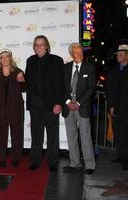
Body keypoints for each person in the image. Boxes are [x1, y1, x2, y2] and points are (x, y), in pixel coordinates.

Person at [25, 35, 64, 173]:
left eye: (41, 44)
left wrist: (59, 103)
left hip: (51, 103)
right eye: (36, 45)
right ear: (34, 47)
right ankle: (35, 160)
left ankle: (53, 162)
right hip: (35, 103)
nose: (39, 47)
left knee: (52, 134)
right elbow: (27, 83)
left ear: (46, 46)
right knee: (36, 133)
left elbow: (61, 84)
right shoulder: (30, 60)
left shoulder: (56, 60)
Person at [62, 43, 96, 175]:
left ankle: (89, 165)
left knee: (85, 136)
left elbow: (91, 88)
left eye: (81, 52)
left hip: (83, 107)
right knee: (71, 136)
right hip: (68, 107)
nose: (80, 55)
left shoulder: (89, 67)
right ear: (71, 54)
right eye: (77, 52)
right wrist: (68, 102)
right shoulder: (65, 68)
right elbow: (62, 87)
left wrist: (79, 103)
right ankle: (74, 163)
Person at [0, 49, 25, 168]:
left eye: (7, 57)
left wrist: (22, 80)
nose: (4, 59)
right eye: (2, 57)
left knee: (17, 133)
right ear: (0, 59)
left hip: (15, 107)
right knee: (1, 133)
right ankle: (2, 158)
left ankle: (16, 158)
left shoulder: (18, 71)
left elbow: (24, 88)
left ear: (10, 58)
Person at [106, 43, 128, 169]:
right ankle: (121, 155)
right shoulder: (113, 69)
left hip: (126, 107)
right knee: (118, 132)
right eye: (117, 55)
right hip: (115, 106)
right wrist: (111, 105)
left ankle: (126, 159)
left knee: (126, 133)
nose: (118, 56)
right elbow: (110, 88)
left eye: (121, 54)